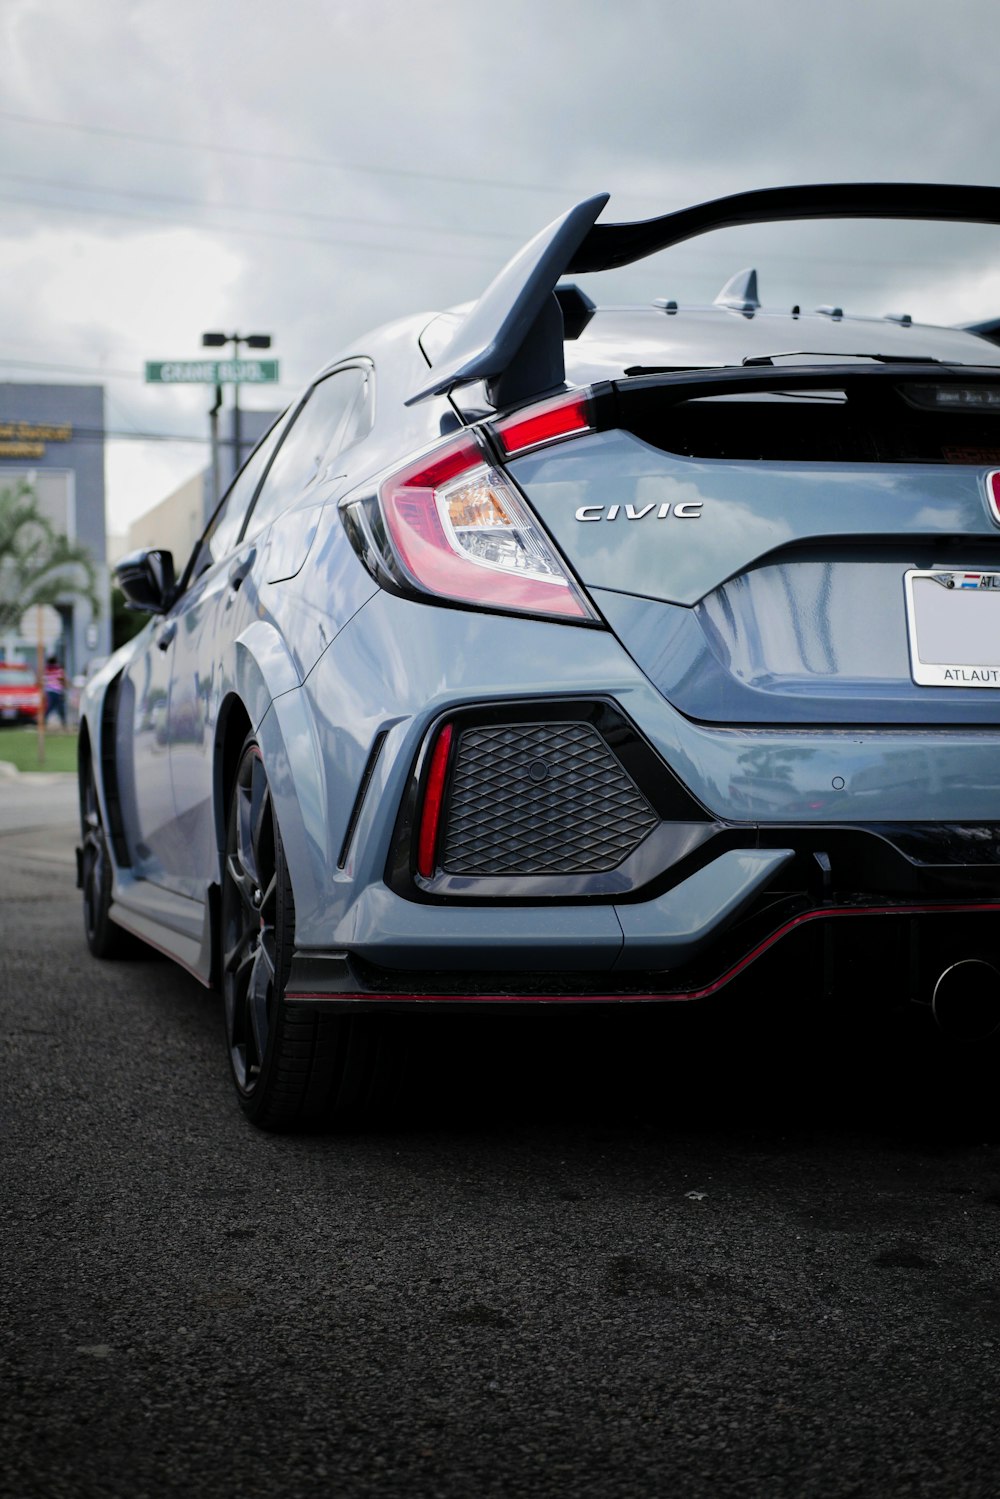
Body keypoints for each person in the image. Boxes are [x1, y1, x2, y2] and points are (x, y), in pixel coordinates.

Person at [44, 655, 66, 728]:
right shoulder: (58, 669)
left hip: (49, 691)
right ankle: (63, 722)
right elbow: (62, 679)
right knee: (60, 708)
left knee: (50, 707)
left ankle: (44, 720)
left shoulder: (47, 669)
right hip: (57, 691)